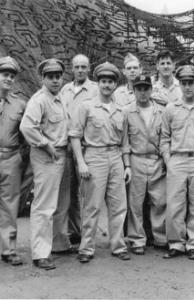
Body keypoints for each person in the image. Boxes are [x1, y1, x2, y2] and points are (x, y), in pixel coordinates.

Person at [69, 62, 131, 263]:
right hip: (94, 157)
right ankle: (86, 248)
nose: (107, 85)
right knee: (92, 205)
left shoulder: (121, 110)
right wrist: (81, 163)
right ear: (98, 83)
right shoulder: (86, 106)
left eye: (111, 82)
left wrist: (127, 165)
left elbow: (125, 142)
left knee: (118, 205)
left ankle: (118, 245)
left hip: (115, 157)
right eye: (103, 81)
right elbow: (75, 136)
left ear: (115, 84)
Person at [160, 64, 194, 260]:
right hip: (177, 160)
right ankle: (175, 243)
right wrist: (168, 159)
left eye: (191, 83)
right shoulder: (171, 108)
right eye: (184, 83)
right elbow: (164, 137)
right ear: (179, 84)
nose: (187, 87)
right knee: (175, 204)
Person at [20, 58, 68, 270]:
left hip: (62, 155)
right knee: (44, 206)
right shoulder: (39, 100)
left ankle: (58, 244)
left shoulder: (60, 98)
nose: (55, 80)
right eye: (50, 77)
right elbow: (27, 127)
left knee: (59, 204)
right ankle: (40, 254)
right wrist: (45, 144)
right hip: (47, 156)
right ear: (43, 78)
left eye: (58, 76)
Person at [54, 54, 98, 250]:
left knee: (88, 193)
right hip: (66, 147)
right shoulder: (64, 90)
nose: (80, 70)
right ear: (72, 69)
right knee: (69, 193)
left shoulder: (96, 89)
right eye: (77, 67)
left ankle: (89, 236)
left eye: (84, 67)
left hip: (87, 147)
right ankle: (75, 232)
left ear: (89, 69)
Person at [125, 75, 167, 255]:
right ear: (133, 91)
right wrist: (127, 164)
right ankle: (137, 239)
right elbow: (124, 141)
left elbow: (165, 137)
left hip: (156, 159)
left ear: (151, 90)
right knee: (135, 202)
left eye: (146, 88)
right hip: (136, 159)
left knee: (160, 200)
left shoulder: (162, 111)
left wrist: (166, 159)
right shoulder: (127, 112)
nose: (142, 93)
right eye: (139, 89)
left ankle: (160, 237)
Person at [0, 56, 25, 266]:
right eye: (4, 74)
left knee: (9, 205)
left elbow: (25, 134)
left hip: (10, 158)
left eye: (11, 75)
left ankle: (8, 249)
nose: (8, 79)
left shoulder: (19, 104)